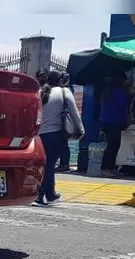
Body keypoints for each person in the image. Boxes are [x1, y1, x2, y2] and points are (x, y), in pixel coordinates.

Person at [35, 69, 83, 207]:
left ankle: (42, 194)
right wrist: (81, 130)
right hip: (55, 135)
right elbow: (74, 113)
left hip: (40, 135)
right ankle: (47, 195)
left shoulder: (40, 92)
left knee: (45, 166)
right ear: (61, 80)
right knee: (49, 166)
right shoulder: (64, 92)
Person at [99, 72, 131, 177]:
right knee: (113, 145)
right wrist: (130, 93)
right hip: (114, 121)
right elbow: (124, 103)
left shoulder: (107, 90)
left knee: (112, 145)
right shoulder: (119, 91)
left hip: (107, 121)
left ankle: (110, 167)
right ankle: (106, 168)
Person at [55, 73, 73, 173]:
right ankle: (64, 163)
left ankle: (64, 163)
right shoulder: (63, 90)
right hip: (62, 119)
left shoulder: (66, 90)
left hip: (64, 120)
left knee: (64, 143)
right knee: (63, 143)